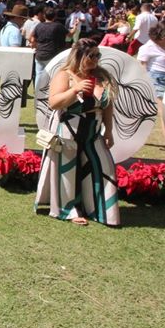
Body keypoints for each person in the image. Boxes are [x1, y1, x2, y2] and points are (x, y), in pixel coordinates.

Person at [35, 38, 119, 227]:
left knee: (104, 167)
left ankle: (102, 210)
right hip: (68, 131)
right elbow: (54, 102)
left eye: (98, 55)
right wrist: (74, 90)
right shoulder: (65, 75)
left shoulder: (102, 76)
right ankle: (68, 210)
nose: (96, 59)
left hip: (93, 132)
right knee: (67, 170)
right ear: (78, 56)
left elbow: (108, 106)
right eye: (91, 55)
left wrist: (109, 131)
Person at [30, 7, 67, 87]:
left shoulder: (39, 26)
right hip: (52, 55)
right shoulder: (58, 26)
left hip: (40, 54)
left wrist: (35, 46)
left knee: (39, 75)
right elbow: (69, 35)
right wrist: (75, 27)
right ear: (55, 16)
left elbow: (32, 39)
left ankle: (37, 92)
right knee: (53, 75)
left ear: (44, 16)